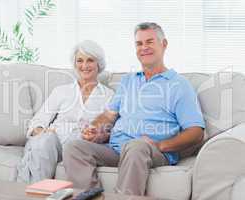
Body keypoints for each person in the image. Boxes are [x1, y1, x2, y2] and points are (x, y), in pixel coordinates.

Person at [62, 22, 205, 196]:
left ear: (164, 44)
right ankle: (89, 196)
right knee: (74, 147)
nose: (143, 48)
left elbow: (196, 131)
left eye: (149, 42)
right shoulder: (128, 81)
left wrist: (161, 145)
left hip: (150, 151)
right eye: (139, 44)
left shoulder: (179, 85)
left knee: (136, 145)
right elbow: (108, 115)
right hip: (115, 149)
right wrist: (95, 128)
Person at [16, 40, 114, 183]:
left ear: (99, 64)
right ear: (75, 65)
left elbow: (108, 129)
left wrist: (97, 135)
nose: (84, 66)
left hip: (80, 147)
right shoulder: (61, 91)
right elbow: (38, 121)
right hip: (52, 143)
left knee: (41, 148)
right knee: (44, 141)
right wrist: (43, 133)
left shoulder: (109, 95)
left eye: (90, 60)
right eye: (80, 61)